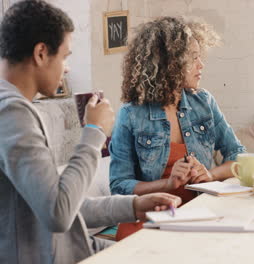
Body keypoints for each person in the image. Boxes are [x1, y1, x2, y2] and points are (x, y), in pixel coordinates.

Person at [0, 1, 181, 263]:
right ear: (41, 53)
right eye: (65, 56)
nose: (67, 68)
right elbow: (58, 212)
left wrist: (133, 205)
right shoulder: (11, 113)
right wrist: (94, 132)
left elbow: (62, 202)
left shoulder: (15, 109)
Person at [109, 17, 245, 237]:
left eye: (200, 57)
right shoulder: (131, 114)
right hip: (151, 218)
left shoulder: (204, 102)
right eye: (193, 59)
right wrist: (168, 183)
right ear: (170, 64)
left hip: (200, 214)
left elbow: (238, 156)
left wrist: (209, 174)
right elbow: (119, 186)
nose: (201, 65)